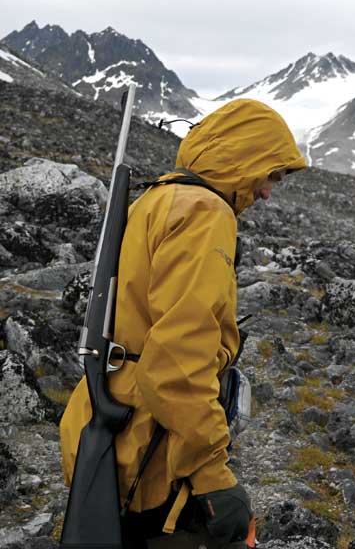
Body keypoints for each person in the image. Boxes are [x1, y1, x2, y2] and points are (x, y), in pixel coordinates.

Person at [60, 98, 306, 548]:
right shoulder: (205, 213)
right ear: (244, 158)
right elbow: (176, 363)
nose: (269, 192)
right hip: (150, 449)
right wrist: (213, 477)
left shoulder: (160, 198)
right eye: (271, 175)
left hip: (116, 432)